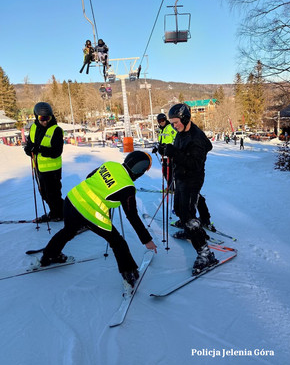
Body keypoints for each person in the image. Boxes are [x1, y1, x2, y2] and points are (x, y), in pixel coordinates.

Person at [39, 151, 157, 287]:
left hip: (72, 199)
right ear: (140, 171)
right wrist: (147, 240)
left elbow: (90, 177)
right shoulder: (128, 187)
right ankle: (129, 274)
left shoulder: (111, 165)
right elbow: (132, 216)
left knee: (68, 231)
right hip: (90, 211)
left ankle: (49, 255)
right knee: (118, 242)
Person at [158, 103, 218, 275]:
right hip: (181, 176)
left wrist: (174, 153)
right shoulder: (181, 132)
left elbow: (195, 164)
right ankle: (189, 231)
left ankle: (205, 253)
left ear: (185, 119)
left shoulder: (197, 138)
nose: (173, 126)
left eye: (176, 122)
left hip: (192, 179)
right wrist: (166, 149)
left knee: (189, 215)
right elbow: (179, 151)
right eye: (172, 123)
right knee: (178, 209)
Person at [24, 102, 64, 222]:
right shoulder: (33, 128)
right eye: (42, 118)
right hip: (39, 168)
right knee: (44, 194)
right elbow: (30, 145)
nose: (45, 121)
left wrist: (40, 149)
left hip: (53, 170)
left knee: (54, 195)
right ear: (36, 117)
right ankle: (55, 213)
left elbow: (57, 151)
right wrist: (28, 149)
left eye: (48, 118)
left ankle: (66, 213)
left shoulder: (56, 130)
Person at [152, 113, 177, 188]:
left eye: (163, 120)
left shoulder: (170, 127)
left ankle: (173, 187)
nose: (161, 122)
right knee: (165, 172)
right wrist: (157, 147)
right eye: (159, 121)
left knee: (170, 172)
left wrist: (170, 146)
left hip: (170, 153)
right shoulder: (160, 130)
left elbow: (177, 138)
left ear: (166, 120)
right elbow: (160, 141)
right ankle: (170, 186)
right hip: (163, 154)